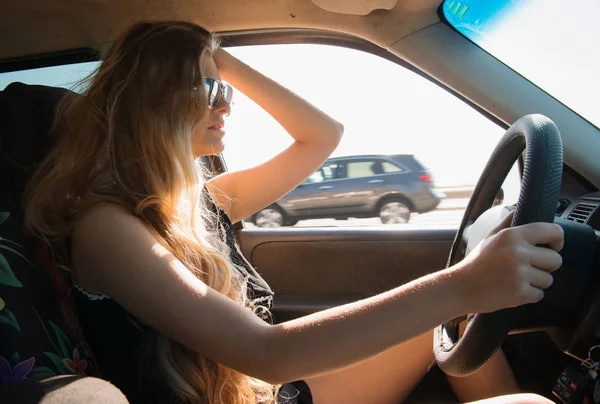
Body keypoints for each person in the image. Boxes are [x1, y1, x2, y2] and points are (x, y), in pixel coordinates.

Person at [24, 21, 563, 404]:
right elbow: (267, 353)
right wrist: (464, 283)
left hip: (259, 394)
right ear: (153, 100)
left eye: (226, 91)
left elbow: (321, 136)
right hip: (261, 385)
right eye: (209, 89)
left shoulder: (199, 203)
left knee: (446, 327)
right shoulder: (107, 227)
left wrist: (217, 58)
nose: (225, 105)